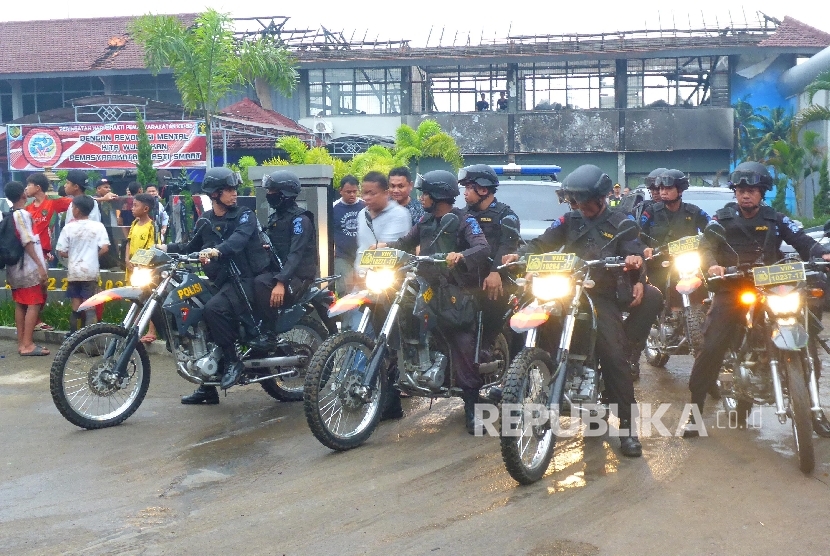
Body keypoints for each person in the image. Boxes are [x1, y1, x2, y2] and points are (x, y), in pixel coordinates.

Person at [502, 164, 649, 457]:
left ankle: (628, 430)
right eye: (574, 201)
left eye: (584, 200)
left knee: (614, 356)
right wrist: (521, 256)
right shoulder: (568, 220)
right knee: (515, 321)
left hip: (600, 293)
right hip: (565, 289)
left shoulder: (622, 221)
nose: (579, 206)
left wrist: (634, 262)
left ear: (600, 197)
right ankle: (513, 383)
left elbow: (634, 248)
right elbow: (542, 242)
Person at [683, 161, 830, 438]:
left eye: (751, 190)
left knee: (808, 339)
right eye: (740, 190)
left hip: (772, 288)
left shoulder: (776, 219)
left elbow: (801, 239)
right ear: (735, 193)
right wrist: (713, 265)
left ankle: (813, 410)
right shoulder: (721, 219)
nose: (746, 195)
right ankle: (696, 409)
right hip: (733, 289)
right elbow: (705, 248)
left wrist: (822, 254)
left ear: (762, 192)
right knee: (712, 344)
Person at [381, 170, 490, 433]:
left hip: (453, 291)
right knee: (399, 328)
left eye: (425, 193)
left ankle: (473, 407)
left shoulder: (465, 220)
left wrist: (460, 255)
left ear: (438, 195)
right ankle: (389, 400)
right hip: (425, 287)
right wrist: (384, 248)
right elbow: (406, 243)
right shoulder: (426, 221)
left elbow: (482, 247)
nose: (421, 197)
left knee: (461, 341)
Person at [161, 167, 270, 403]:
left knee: (213, 310)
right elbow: (189, 247)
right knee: (197, 313)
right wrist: (162, 250)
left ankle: (233, 361)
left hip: (244, 281)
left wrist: (216, 251)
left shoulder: (244, 215)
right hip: (220, 281)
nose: (234, 194)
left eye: (234, 189)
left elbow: (238, 240)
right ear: (215, 193)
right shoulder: (206, 220)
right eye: (229, 190)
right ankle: (207, 386)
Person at [637, 169, 709, 379]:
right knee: (651, 297)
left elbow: (712, 228)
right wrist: (644, 248)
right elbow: (636, 233)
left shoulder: (694, 211)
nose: (664, 192)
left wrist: (717, 238)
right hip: (659, 265)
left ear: (680, 190)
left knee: (711, 289)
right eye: (661, 188)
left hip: (688, 263)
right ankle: (633, 356)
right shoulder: (651, 212)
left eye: (668, 188)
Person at [458, 163, 519, 369]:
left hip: (494, 279)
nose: (465, 193)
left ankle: (491, 349)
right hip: (467, 279)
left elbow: (507, 245)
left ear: (483, 190)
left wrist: (495, 272)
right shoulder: (462, 214)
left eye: (468, 188)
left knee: (498, 311)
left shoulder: (505, 215)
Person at [251, 170, 318, 346]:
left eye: (273, 192)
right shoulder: (276, 218)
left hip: (297, 278)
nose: (269, 195)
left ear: (285, 195)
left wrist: (280, 282)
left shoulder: (300, 220)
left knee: (260, 283)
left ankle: (269, 333)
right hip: (281, 272)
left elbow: (296, 253)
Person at [4, 181, 49, 356]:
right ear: (23, 195)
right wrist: (40, 265)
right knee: (33, 303)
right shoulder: (22, 214)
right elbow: (27, 240)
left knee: (21, 305)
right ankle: (28, 344)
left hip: (15, 269)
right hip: (27, 268)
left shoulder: (10, 214)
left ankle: (22, 343)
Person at [55, 195, 110, 335]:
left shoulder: (69, 228)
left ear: (77, 210)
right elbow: (105, 248)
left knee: (76, 306)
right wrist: (93, 256)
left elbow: (61, 251)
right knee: (90, 306)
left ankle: (74, 339)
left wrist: (72, 256)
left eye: (73, 207)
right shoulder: (98, 226)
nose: (72, 209)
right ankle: (91, 342)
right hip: (90, 272)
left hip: (74, 272)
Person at [354, 171, 411, 269]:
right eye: (364, 193)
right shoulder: (362, 214)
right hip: (362, 278)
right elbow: (362, 246)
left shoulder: (399, 214)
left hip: (388, 279)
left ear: (386, 193)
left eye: (372, 193)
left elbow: (385, 251)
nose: (367, 197)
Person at [125, 193, 159, 344]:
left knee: (150, 299)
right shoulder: (134, 224)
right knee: (135, 298)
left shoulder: (152, 226)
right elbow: (128, 243)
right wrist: (127, 259)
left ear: (146, 209)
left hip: (146, 269)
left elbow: (154, 248)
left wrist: (143, 263)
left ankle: (151, 331)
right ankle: (133, 327)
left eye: (135, 205)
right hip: (133, 268)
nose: (132, 208)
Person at [332, 175, 365, 297]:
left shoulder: (365, 206)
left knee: (365, 290)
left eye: (354, 191)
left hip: (363, 256)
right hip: (342, 256)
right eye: (348, 192)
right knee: (344, 290)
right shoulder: (333, 208)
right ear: (341, 191)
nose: (352, 195)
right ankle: (344, 316)